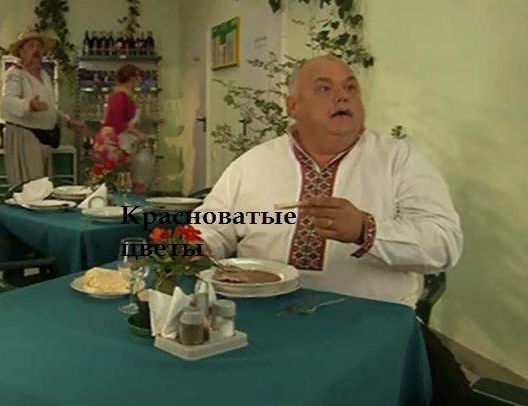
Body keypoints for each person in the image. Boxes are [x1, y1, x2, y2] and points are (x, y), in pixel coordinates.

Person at [193, 55, 472, 405]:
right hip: (262, 326)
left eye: (350, 87)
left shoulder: (399, 160)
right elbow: (211, 228)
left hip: (374, 331)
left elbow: (444, 244)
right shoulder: (252, 165)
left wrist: (367, 231)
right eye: (324, 88)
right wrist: (197, 247)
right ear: (293, 106)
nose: (342, 96)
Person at [1, 30, 87, 187]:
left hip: (44, 138)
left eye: (39, 47)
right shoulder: (15, 74)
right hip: (25, 136)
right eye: (31, 46)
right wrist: (29, 105)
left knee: (43, 187)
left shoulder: (44, 75)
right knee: (30, 188)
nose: (36, 50)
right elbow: (8, 102)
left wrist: (67, 122)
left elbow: (49, 108)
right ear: (21, 51)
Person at [91, 64, 153, 169]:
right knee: (117, 173)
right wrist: (138, 133)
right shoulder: (119, 96)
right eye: (138, 77)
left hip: (121, 140)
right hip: (114, 142)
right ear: (132, 78)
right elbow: (117, 122)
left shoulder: (125, 95)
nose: (140, 80)